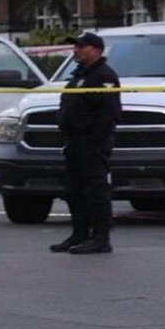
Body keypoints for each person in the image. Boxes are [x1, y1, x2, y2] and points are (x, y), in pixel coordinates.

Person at [51, 32, 122, 255]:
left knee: (95, 189)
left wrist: (94, 140)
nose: (77, 50)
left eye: (82, 46)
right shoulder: (80, 75)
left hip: (92, 143)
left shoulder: (104, 76)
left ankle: (101, 238)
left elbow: (109, 113)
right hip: (74, 142)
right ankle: (79, 234)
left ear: (96, 50)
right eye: (76, 46)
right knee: (74, 189)